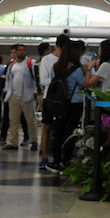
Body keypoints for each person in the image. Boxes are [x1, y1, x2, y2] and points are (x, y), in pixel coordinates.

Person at [46, 40, 86, 173]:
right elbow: (84, 84)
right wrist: (89, 70)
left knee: (58, 132)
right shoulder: (77, 69)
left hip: (59, 104)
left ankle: (55, 162)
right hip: (75, 104)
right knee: (70, 133)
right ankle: (66, 162)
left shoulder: (56, 67)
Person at [37, 34, 68, 170]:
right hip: (49, 98)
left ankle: (60, 157)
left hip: (63, 100)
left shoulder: (67, 60)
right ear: (56, 47)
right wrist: (58, 82)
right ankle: (44, 156)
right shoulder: (47, 60)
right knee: (47, 127)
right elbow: (43, 80)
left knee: (60, 129)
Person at [1, 44, 39, 150]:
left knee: (30, 120)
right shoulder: (12, 64)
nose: (22, 52)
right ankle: (13, 142)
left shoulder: (30, 63)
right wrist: (7, 91)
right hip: (13, 95)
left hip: (27, 96)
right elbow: (9, 79)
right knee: (13, 120)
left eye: (23, 50)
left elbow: (37, 78)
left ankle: (34, 141)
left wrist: (35, 91)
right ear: (16, 52)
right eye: (20, 50)